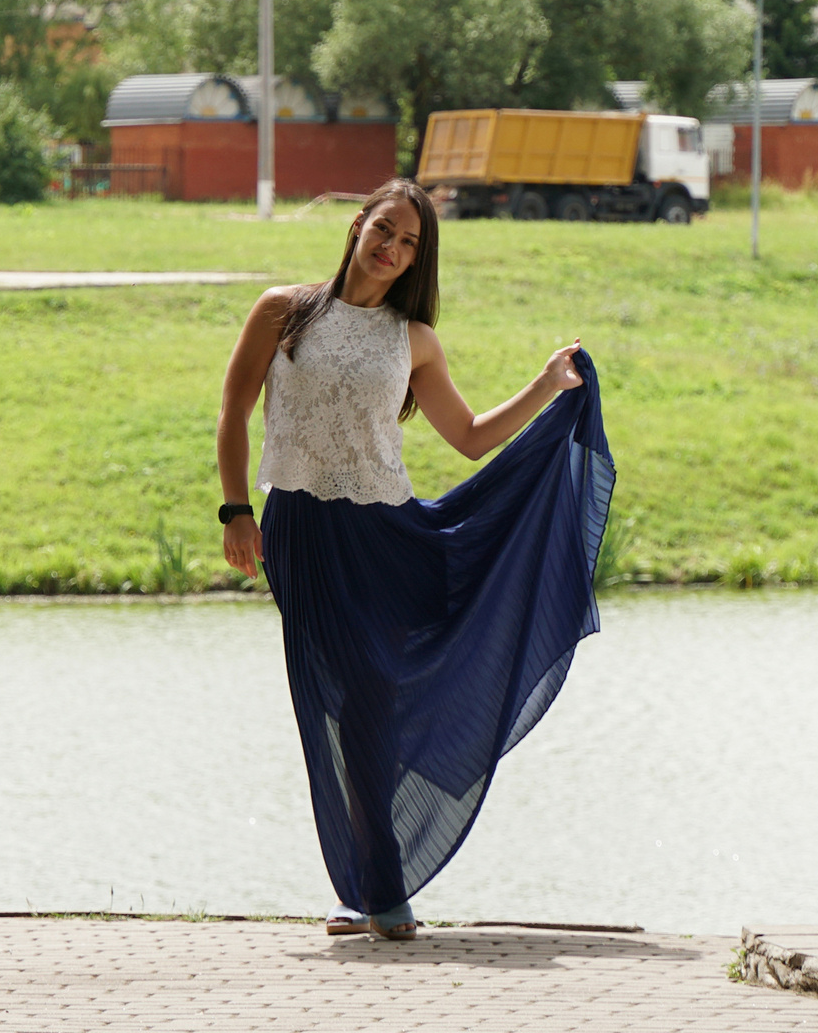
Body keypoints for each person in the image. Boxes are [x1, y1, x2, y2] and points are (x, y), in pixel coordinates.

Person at [215, 176, 614, 940]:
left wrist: (545, 385)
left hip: (387, 537)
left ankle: (379, 886)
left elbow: (467, 435)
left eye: (409, 243)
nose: (393, 248)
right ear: (358, 222)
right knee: (327, 695)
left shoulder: (412, 339)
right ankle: (364, 881)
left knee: (368, 693)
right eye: (386, 229)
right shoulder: (282, 311)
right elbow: (233, 408)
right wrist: (236, 508)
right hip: (298, 530)